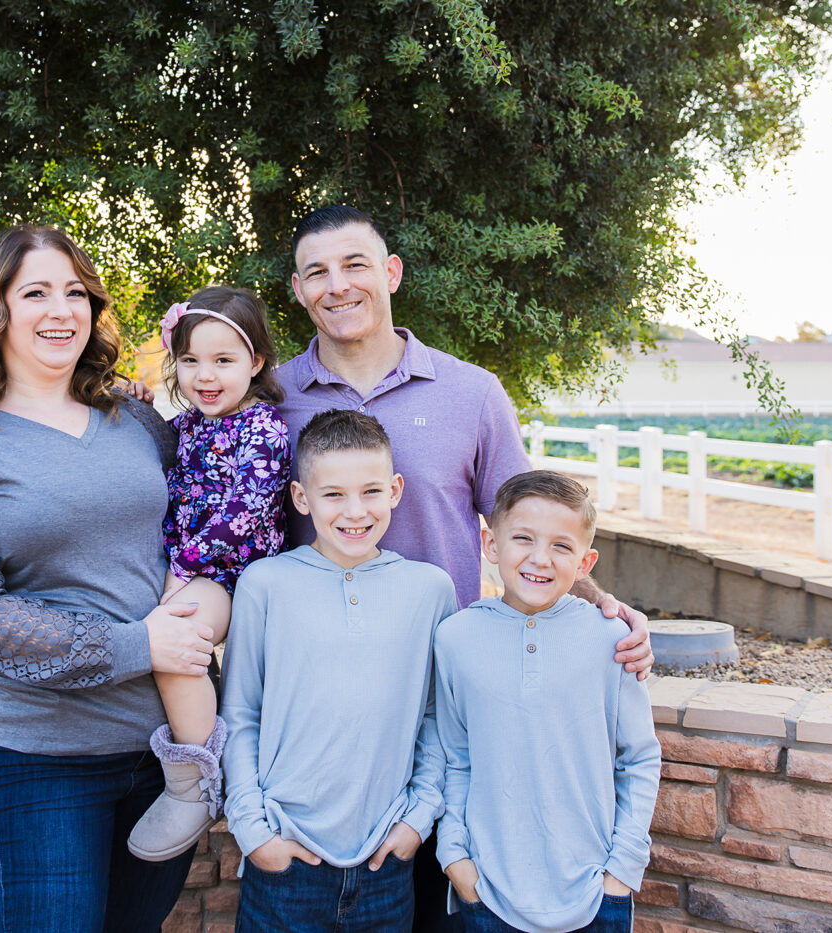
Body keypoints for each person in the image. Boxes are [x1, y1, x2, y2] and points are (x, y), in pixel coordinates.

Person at [276, 204, 655, 930]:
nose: (338, 285)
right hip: (336, 712)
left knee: (436, 897)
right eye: (317, 272)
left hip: (453, 687)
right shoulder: (272, 397)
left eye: (355, 264)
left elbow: (533, 528)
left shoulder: (472, 393)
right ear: (298, 289)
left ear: (390, 273)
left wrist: (604, 601)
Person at [0, 224, 216, 932]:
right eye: (35, 291)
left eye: (76, 292)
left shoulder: (138, 422)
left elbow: (200, 530)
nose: (61, 309)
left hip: (165, 753)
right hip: (46, 760)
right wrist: (139, 645)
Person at [222, 409, 456, 933]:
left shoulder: (431, 589)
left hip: (386, 861)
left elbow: (438, 718)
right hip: (284, 857)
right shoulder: (265, 584)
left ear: (395, 489)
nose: (355, 511)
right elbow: (239, 712)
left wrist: (418, 819)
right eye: (333, 495)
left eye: (371, 491)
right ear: (301, 498)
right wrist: (253, 830)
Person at [433, 471, 661, 933]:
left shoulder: (611, 639)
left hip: (595, 894)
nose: (540, 558)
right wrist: (455, 857)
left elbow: (638, 757)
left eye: (561, 546)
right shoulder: (455, 637)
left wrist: (621, 873)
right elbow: (455, 758)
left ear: (585, 561)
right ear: (491, 545)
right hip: (487, 893)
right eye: (522, 539)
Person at [127, 286, 292, 861]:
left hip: (237, 576)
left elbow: (240, 517)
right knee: (162, 631)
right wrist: (135, 402)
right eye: (190, 360)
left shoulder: (263, 429)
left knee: (180, 635)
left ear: (257, 362)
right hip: (195, 570)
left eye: (223, 360)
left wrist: (181, 567)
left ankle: (192, 785)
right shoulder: (188, 426)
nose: (205, 375)